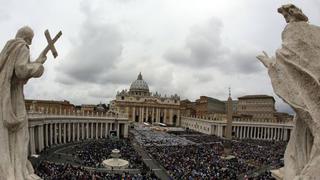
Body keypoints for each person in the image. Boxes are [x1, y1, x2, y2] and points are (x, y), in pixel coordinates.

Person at [257, 4, 320, 179]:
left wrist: (271, 64)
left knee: (305, 136)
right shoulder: (315, 34)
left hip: (310, 101)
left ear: (293, 15)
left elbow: (287, 61)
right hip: (310, 103)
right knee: (302, 135)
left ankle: (302, 170)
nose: (286, 20)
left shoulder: (292, 31)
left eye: (286, 16)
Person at [0, 26, 47, 180]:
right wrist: (38, 68)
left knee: (7, 136)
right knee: (21, 135)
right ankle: (17, 170)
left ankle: (9, 167)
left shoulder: (8, 49)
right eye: (30, 40)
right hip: (15, 98)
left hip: (5, 96)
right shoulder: (22, 47)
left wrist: (36, 61)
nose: (30, 43)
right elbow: (21, 70)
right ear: (26, 37)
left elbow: (18, 72)